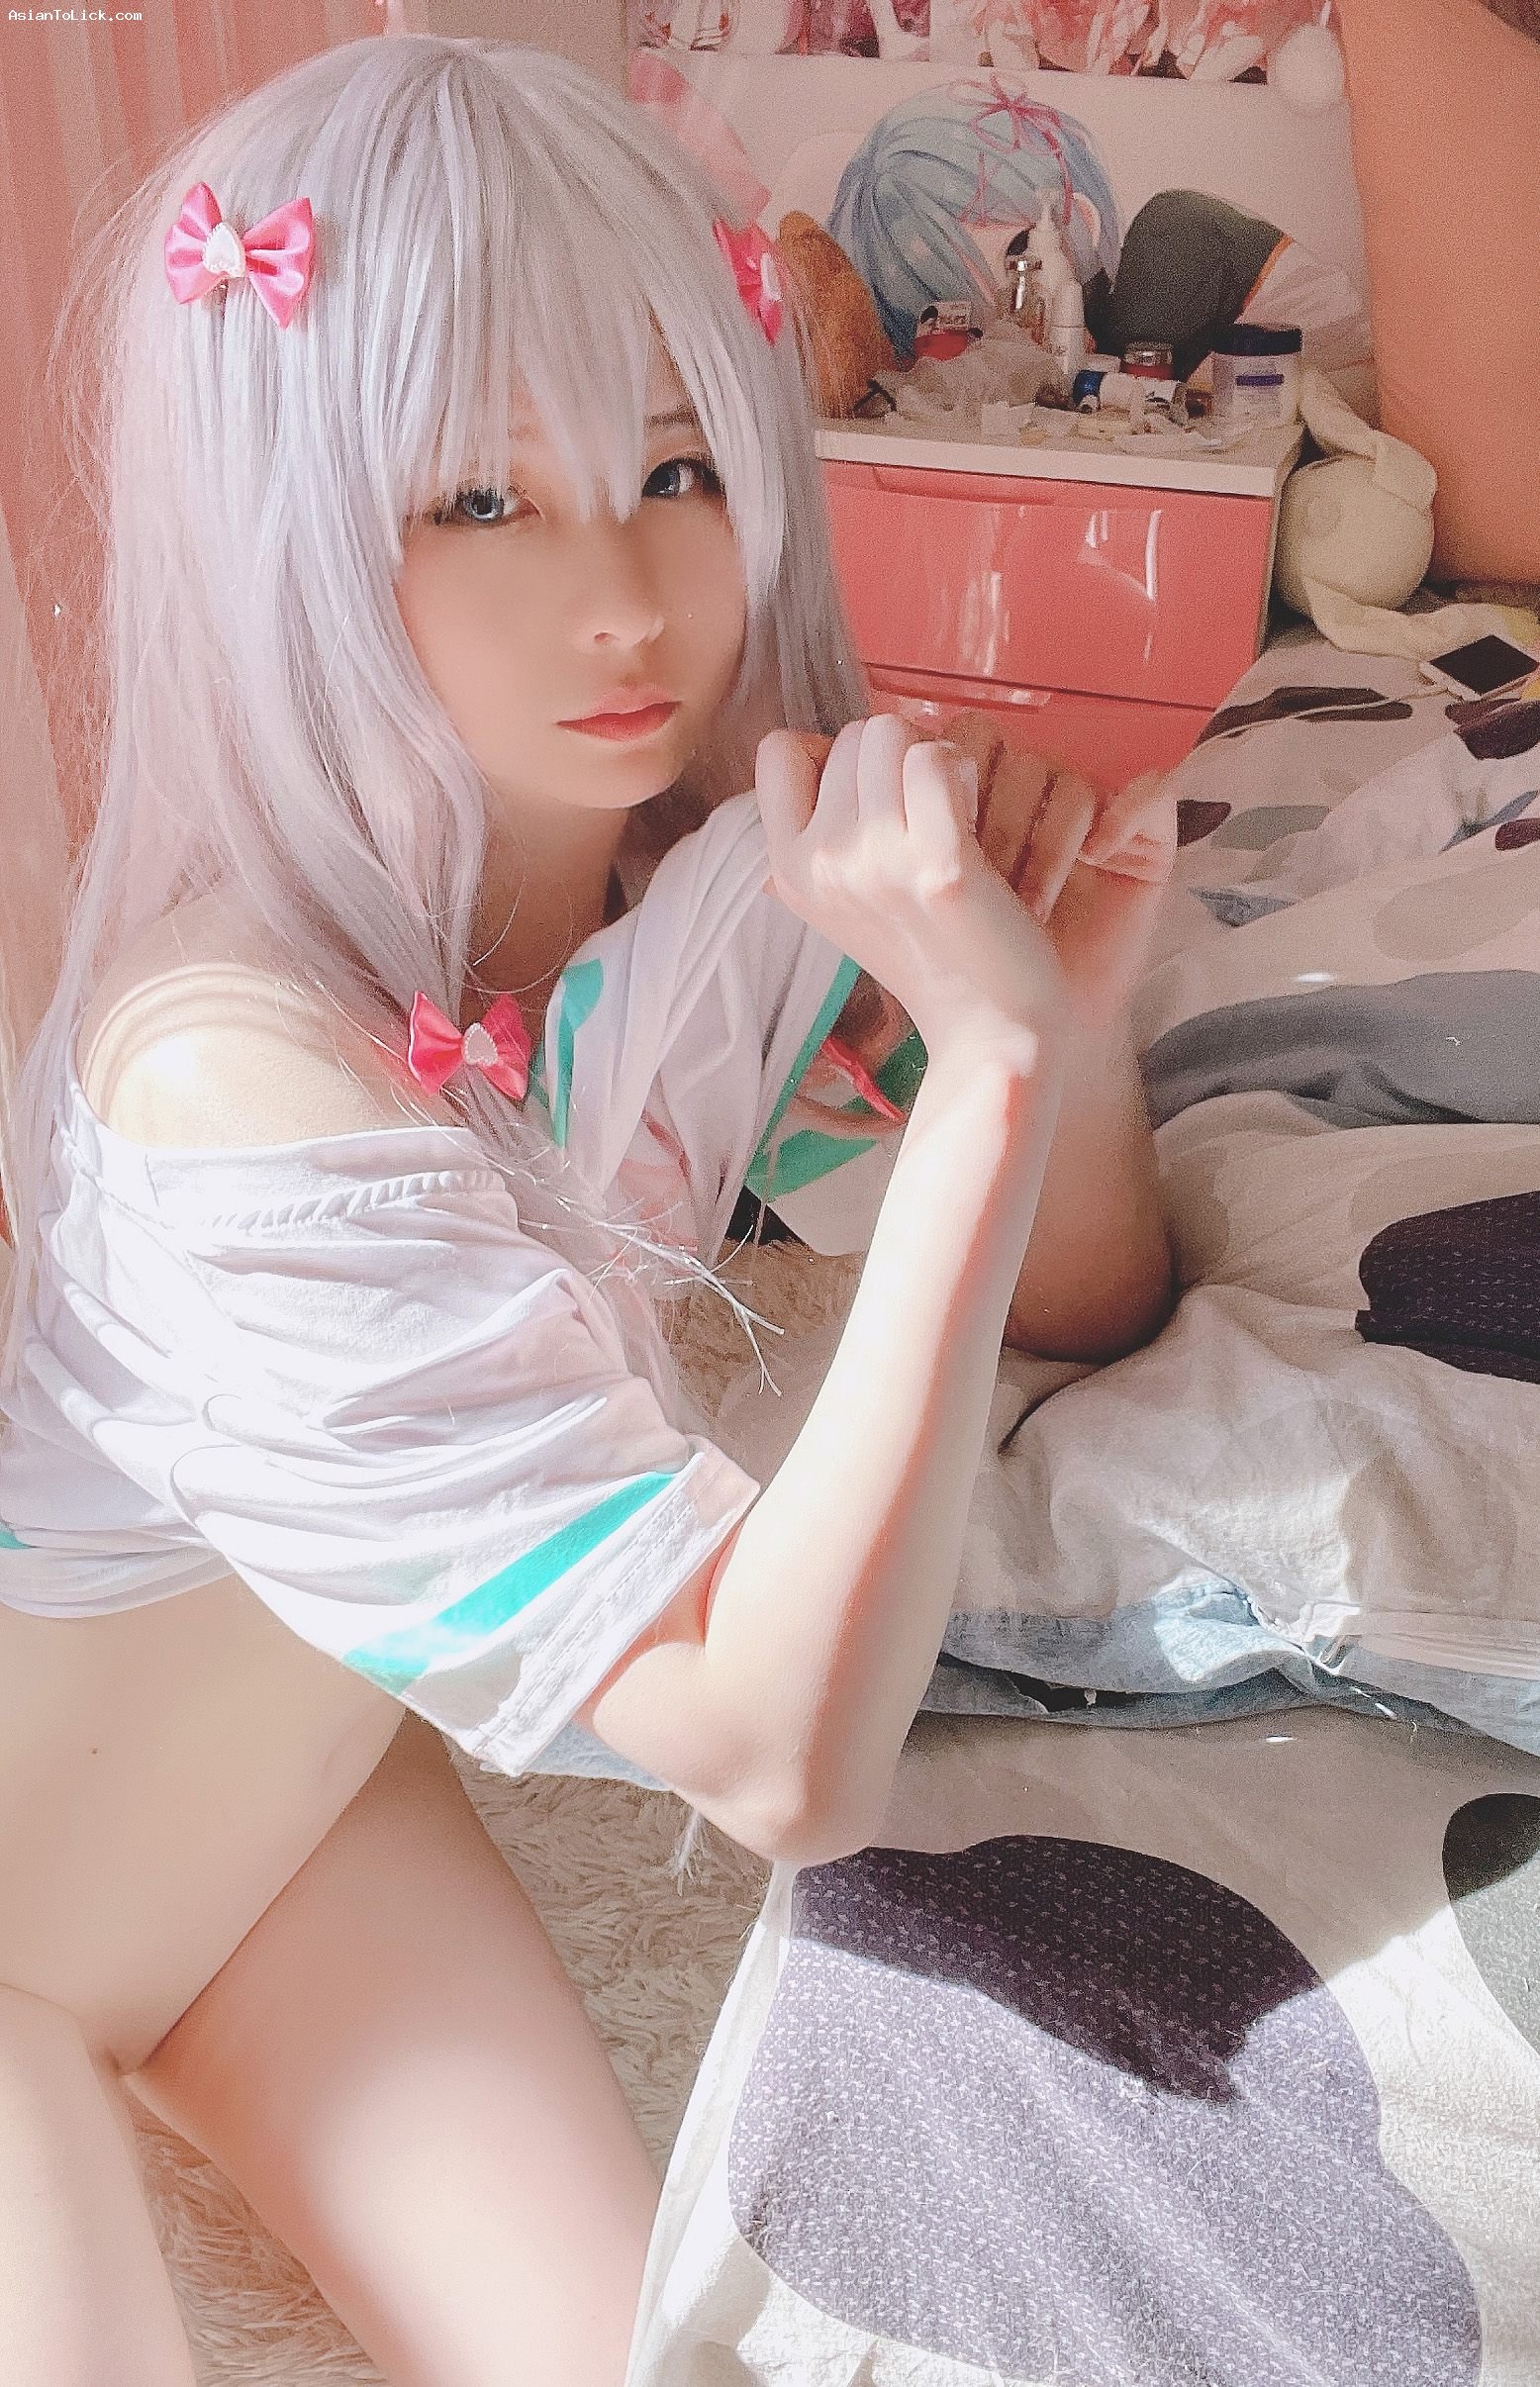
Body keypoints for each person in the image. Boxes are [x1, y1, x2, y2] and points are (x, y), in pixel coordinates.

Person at [0, 33, 1175, 2387]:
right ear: (290, 526)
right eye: (478, 502)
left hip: (297, 1826)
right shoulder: (233, 1082)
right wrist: (986, 1075)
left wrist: (1050, 1010)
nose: (625, 595)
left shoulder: (697, 885)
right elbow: (777, 1754)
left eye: (672, 469)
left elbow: (1088, 1298)